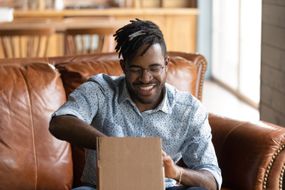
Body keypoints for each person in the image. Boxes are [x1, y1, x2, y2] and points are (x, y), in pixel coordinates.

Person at [49, 19, 222, 190]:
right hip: (102, 187)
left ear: (166, 64)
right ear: (124, 66)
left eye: (154, 68)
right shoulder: (101, 90)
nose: (146, 78)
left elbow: (212, 180)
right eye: (136, 69)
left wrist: (176, 172)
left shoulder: (189, 110)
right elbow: (59, 122)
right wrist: (113, 147)